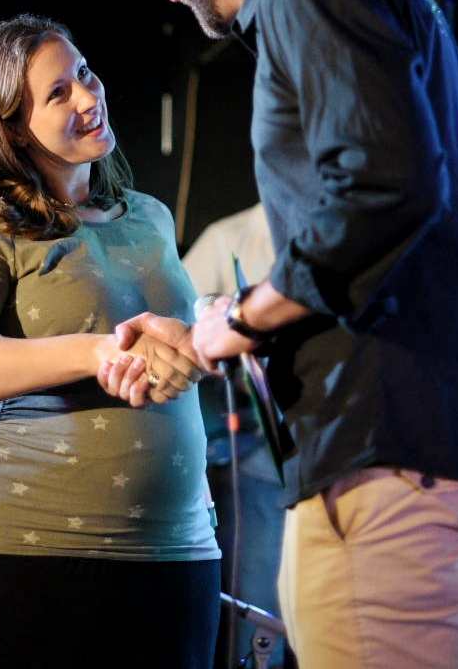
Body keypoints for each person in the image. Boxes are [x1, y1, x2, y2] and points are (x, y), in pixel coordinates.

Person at [100, 0, 458, 669]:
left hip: (388, 462)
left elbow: (381, 189)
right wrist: (214, 327)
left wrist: (239, 321)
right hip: (433, 453)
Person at [0, 13, 219, 669]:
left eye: (84, 73)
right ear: (11, 128)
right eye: (58, 93)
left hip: (177, 543)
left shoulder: (150, 216)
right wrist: (97, 350)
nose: (88, 96)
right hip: (30, 544)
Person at [180, 203, 290, 669]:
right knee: (258, 613)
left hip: (329, 454)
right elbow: (179, 327)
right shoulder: (230, 236)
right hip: (254, 458)